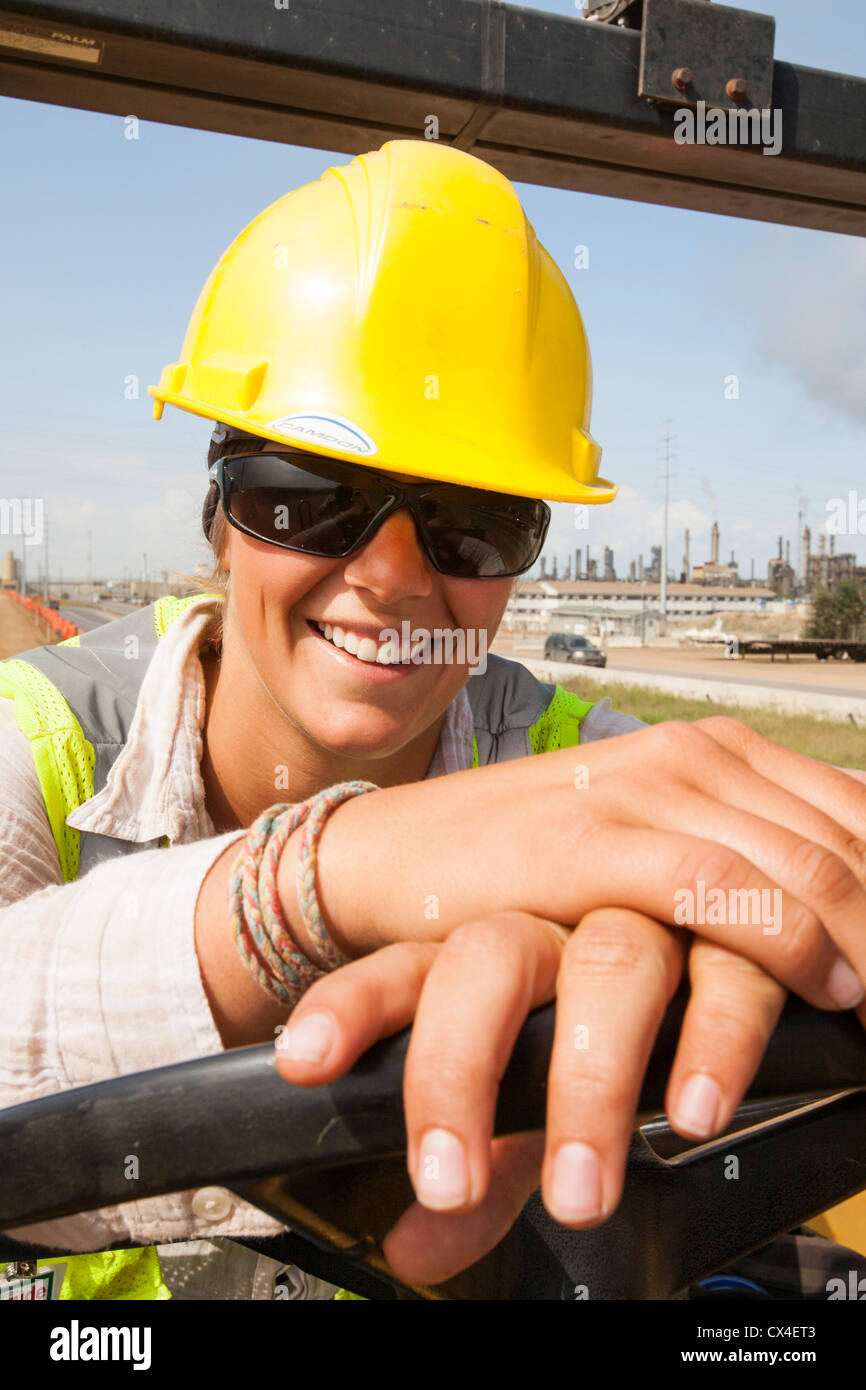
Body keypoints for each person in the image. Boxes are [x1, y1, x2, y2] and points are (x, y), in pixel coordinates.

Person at [1, 138, 865, 1301]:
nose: (396, 578)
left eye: (469, 522)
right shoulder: (41, 741)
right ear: (218, 519)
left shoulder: (584, 769)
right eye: (306, 498)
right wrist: (321, 876)